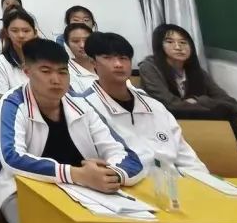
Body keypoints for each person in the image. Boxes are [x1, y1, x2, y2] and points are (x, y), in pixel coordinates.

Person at [0, 39, 144, 223]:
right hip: (22, 187)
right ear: (27, 72)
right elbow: (12, 158)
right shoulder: (13, 102)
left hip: (83, 191)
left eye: (63, 72)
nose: (56, 79)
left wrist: (110, 175)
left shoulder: (81, 105)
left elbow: (126, 155)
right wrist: (76, 174)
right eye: (46, 71)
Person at [81, 32, 207, 174]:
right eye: (108, 58)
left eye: (123, 58)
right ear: (93, 62)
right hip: (125, 182)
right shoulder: (85, 107)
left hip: (173, 182)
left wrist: (204, 182)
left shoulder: (155, 106)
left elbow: (188, 159)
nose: (118, 64)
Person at [138, 23, 237, 116]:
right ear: (159, 46)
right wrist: (214, 108)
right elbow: (170, 105)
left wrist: (199, 101)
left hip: (200, 124)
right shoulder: (149, 68)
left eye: (183, 42)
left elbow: (232, 104)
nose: (178, 47)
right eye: (170, 42)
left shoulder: (197, 71)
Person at [0, 9, 37, 99]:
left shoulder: (45, 59)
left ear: (35, 33)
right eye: (15, 31)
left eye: (26, 31)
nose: (21, 35)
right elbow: (3, 102)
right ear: (7, 33)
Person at [63, 23, 98, 92]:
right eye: (75, 41)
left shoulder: (105, 62)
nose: (82, 45)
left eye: (86, 40)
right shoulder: (67, 72)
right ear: (67, 44)